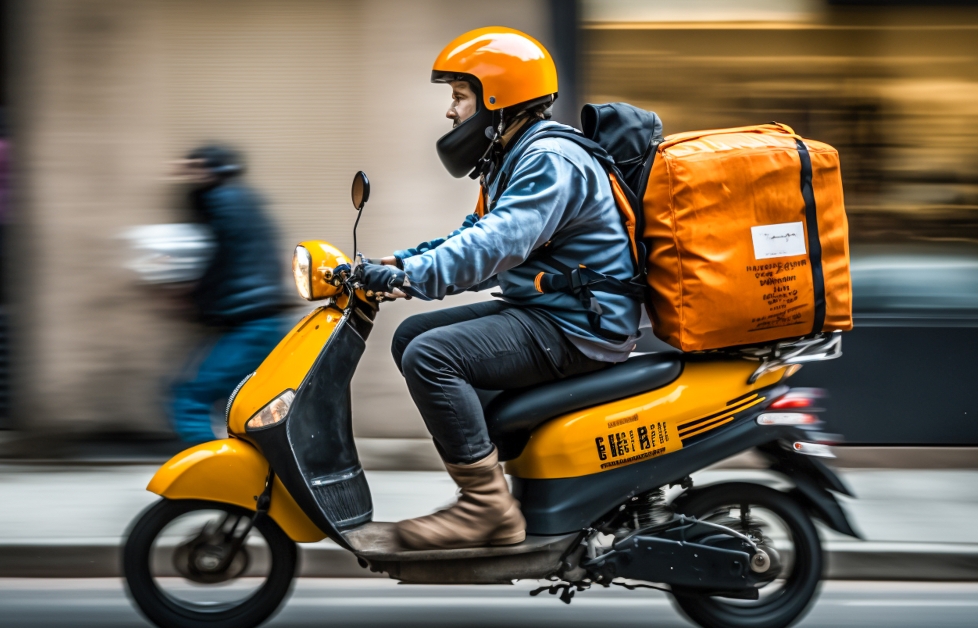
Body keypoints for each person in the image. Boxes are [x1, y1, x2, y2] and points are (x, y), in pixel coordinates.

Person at [354, 27, 642, 550]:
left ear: (497, 99)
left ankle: (486, 509)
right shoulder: (519, 156)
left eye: (459, 96)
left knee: (432, 356)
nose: (451, 111)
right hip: (556, 312)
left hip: (578, 325)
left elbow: (495, 244)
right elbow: (481, 239)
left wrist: (408, 278)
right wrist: (399, 263)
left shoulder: (549, 159)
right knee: (411, 336)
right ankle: (494, 478)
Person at [168, 145, 287, 443]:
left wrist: (193, 297)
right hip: (261, 320)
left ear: (214, 169)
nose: (186, 174)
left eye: (194, 166)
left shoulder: (221, 201)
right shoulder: (244, 201)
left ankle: (208, 477)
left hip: (248, 323)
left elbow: (220, 258)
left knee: (191, 398)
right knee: (242, 411)